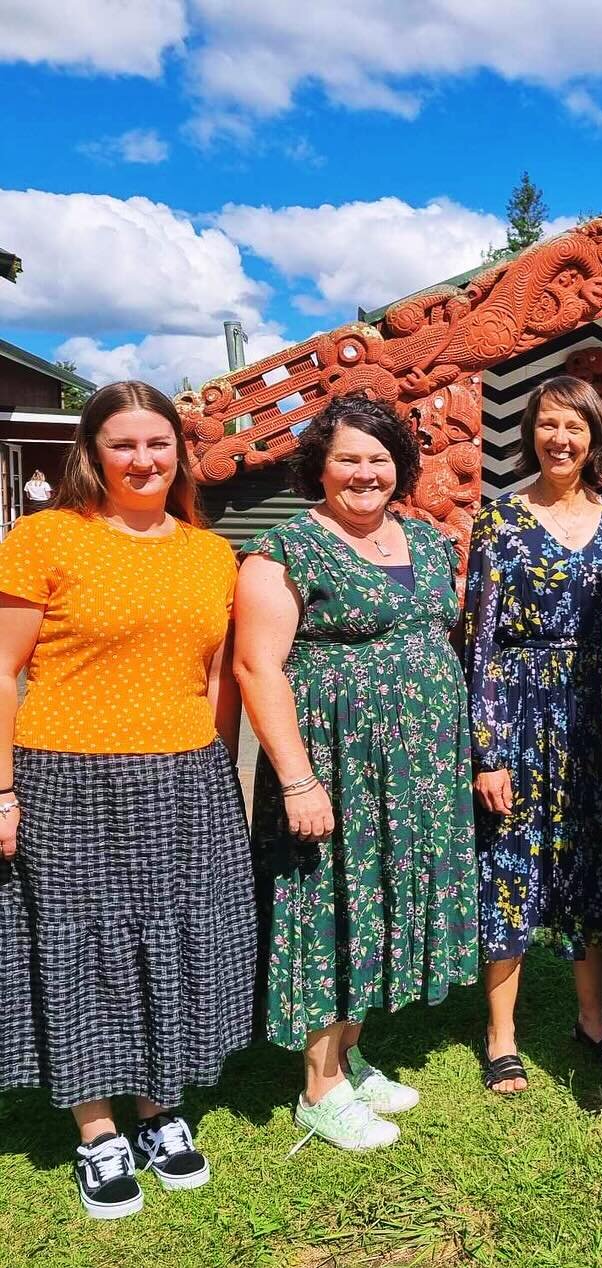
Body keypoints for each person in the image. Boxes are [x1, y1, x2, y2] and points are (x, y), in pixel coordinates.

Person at [0, 381, 254, 1219]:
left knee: (172, 938)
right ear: (92, 453)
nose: (143, 461)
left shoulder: (210, 553)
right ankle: (96, 1130)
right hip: (68, 777)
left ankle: (158, 1108)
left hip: (184, 777)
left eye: (158, 445)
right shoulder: (43, 539)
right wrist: (1, 790)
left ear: (180, 453)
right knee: (82, 948)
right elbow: (3, 673)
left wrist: (219, 776)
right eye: (123, 445)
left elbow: (219, 680)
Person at [234, 394, 480, 1153]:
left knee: (377, 901)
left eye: (379, 459)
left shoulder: (427, 542)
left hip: (417, 771)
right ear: (321, 466)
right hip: (334, 765)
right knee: (330, 903)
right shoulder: (286, 551)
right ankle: (318, 1086)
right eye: (348, 458)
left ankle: (347, 1051)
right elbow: (257, 666)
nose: (365, 473)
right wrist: (299, 779)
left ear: (399, 468)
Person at [463, 376, 602, 1095]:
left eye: (575, 427)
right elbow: (481, 641)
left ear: (595, 437)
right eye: (547, 425)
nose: (560, 440)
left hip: (598, 716)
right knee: (509, 869)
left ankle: (591, 1017)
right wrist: (489, 749)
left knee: (591, 866)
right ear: (529, 432)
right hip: (523, 709)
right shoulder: (499, 520)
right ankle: (500, 1033)